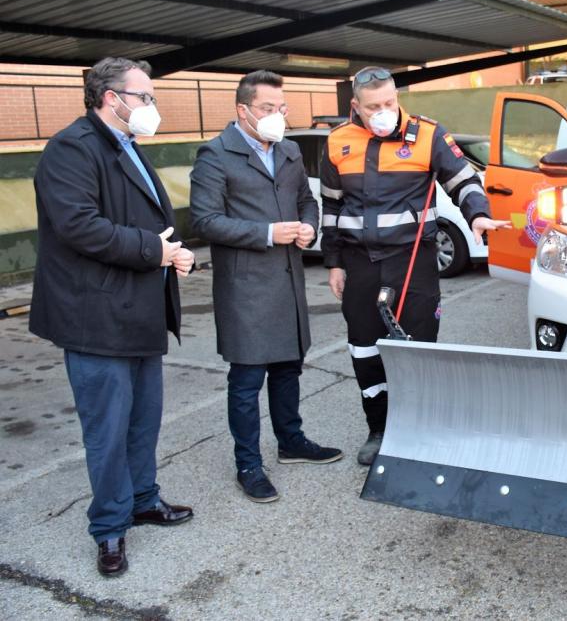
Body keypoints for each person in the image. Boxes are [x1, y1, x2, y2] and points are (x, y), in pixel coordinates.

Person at [29, 57, 195, 577]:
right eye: (144, 96)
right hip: (95, 317)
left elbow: (148, 224)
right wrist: (155, 250)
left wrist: (172, 253)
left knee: (142, 421)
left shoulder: (125, 145)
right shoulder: (72, 148)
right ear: (111, 98)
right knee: (107, 431)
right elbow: (81, 226)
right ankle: (109, 529)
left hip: (138, 309)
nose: (152, 106)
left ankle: (143, 500)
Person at [320, 66, 509, 465]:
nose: (384, 110)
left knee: (419, 348)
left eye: (390, 102)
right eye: (373, 107)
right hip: (360, 264)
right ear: (356, 106)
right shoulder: (338, 142)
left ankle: (423, 428)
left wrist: (477, 214)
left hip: (414, 263)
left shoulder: (428, 134)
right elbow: (332, 206)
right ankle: (380, 429)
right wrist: (334, 262)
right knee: (365, 350)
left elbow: (463, 180)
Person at [190, 70, 342, 503]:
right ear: (243, 110)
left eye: (282, 108)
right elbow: (204, 221)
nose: (277, 116)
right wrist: (266, 233)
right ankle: (248, 463)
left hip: (288, 278)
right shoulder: (216, 155)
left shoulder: (290, 150)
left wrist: (310, 228)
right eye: (267, 108)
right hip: (246, 286)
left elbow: (306, 202)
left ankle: (291, 441)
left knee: (289, 366)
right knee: (247, 377)